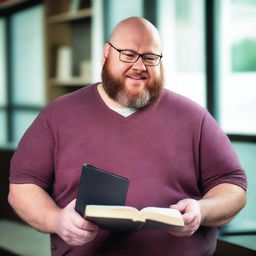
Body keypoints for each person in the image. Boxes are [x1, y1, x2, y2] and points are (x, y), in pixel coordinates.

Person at [8, 17, 246, 256]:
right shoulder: (57, 115)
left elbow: (232, 187)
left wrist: (201, 210)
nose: (140, 66)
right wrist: (56, 219)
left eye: (150, 57)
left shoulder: (195, 117)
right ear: (106, 55)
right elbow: (23, 188)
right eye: (128, 54)